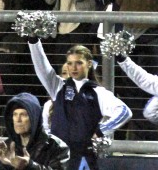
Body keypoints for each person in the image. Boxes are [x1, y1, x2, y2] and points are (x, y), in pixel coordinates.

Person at [28, 39, 129, 168]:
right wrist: (34, 41)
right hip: (57, 156)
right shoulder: (58, 87)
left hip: (83, 158)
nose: (73, 68)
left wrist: (101, 130)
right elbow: (42, 67)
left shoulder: (98, 92)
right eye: (70, 63)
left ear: (89, 64)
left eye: (79, 63)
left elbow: (125, 112)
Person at [0, 93, 69, 170]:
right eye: (15, 114)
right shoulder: (6, 148)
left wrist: (30, 166)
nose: (18, 120)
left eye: (23, 115)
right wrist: (6, 165)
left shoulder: (56, 147)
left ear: (35, 118)